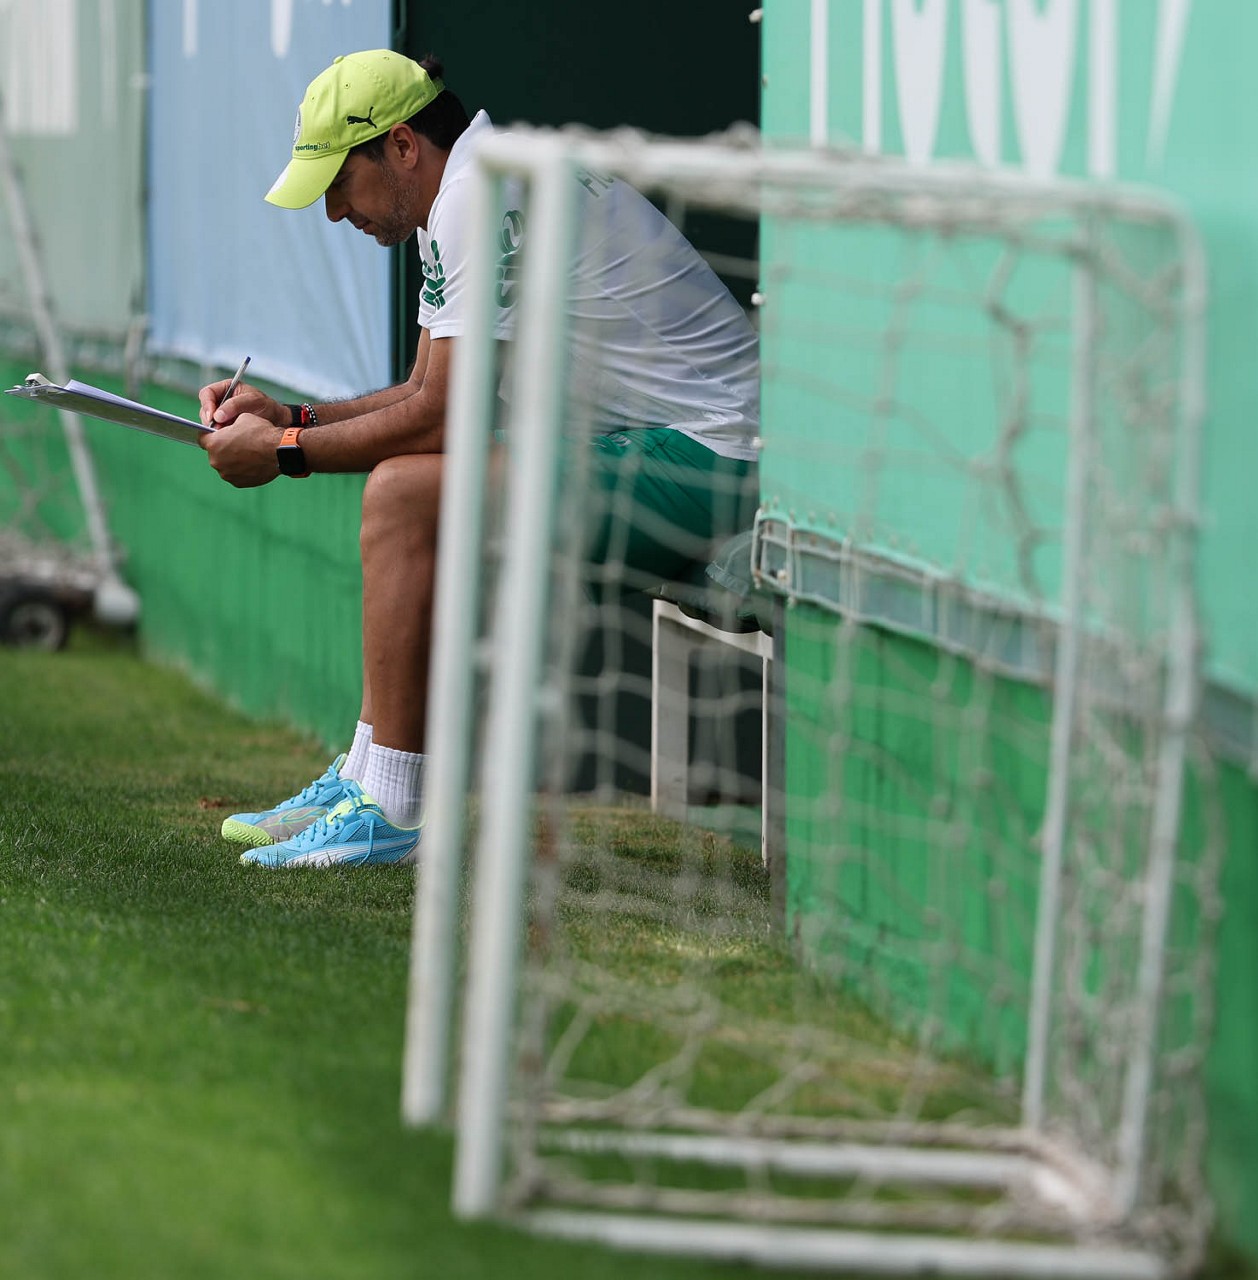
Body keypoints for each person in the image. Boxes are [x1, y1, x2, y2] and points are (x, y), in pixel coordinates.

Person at [201, 49, 759, 868]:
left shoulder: (474, 197)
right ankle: (368, 774)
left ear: (400, 146)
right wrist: (295, 415)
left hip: (718, 462)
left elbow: (443, 419)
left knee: (400, 495)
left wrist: (286, 452)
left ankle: (389, 805)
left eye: (336, 183)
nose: (330, 213)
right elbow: (427, 388)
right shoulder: (462, 192)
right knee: (402, 488)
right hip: (657, 450)